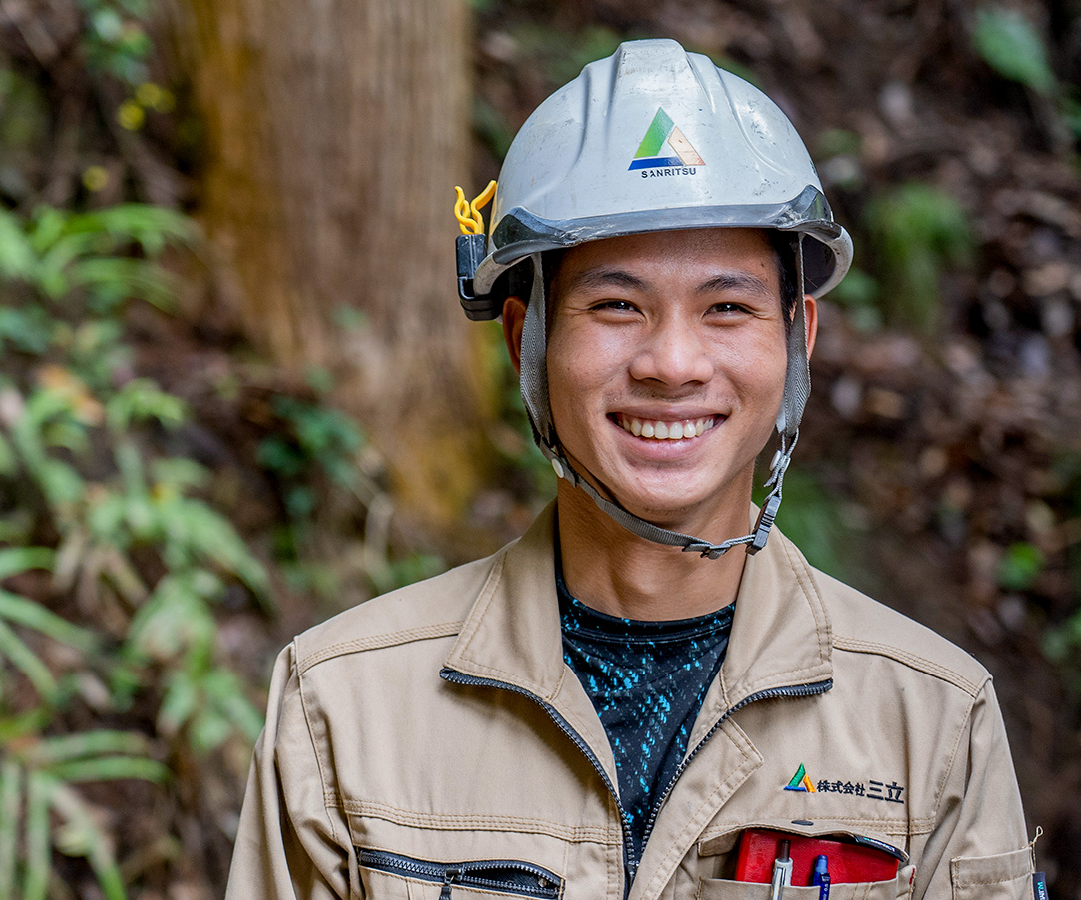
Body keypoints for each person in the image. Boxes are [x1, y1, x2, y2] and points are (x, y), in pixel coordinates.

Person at [226, 39, 1036, 900]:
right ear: (524, 344)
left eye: (727, 307)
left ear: (798, 341)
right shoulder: (344, 711)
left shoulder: (932, 723)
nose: (672, 363)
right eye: (617, 305)